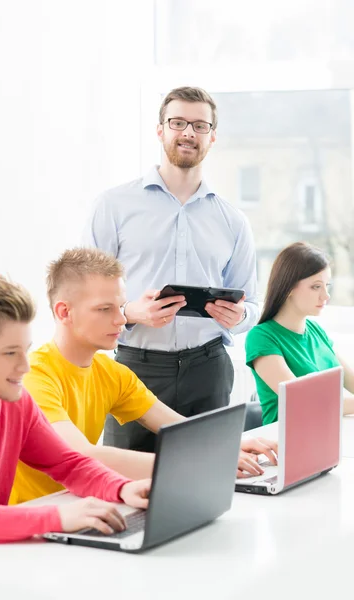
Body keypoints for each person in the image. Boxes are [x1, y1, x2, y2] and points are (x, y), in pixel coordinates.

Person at [11, 247, 277, 503]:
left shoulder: (112, 374)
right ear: (64, 312)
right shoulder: (35, 376)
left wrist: (235, 443)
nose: (120, 319)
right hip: (34, 517)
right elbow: (83, 456)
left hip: (79, 504)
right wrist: (204, 459)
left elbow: (182, 428)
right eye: (105, 309)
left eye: (121, 306)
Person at [82, 86, 258, 452]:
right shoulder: (113, 206)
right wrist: (131, 312)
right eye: (178, 122)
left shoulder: (233, 220)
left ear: (212, 137)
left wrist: (237, 314)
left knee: (205, 481)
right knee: (125, 487)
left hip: (208, 370)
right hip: (134, 369)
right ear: (161, 130)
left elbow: (252, 306)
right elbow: (84, 296)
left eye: (200, 125)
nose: (189, 133)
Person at [0, 273, 151, 545]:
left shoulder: (16, 403)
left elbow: (68, 464)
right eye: (10, 353)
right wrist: (55, 517)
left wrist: (122, 488)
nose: (24, 367)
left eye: (26, 350)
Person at [245, 242, 354, 425]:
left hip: (326, 431)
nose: (326, 295)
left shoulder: (315, 331)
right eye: (316, 287)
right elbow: (302, 400)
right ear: (288, 288)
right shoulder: (262, 337)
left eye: (327, 286)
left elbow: (350, 379)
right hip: (285, 442)